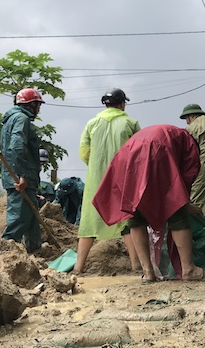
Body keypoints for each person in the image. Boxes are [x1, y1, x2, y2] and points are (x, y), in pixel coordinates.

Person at [92, 124, 205, 282]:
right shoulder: (188, 142)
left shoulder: (173, 134)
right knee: (177, 212)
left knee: (136, 212)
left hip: (127, 156)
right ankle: (189, 269)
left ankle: (148, 272)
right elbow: (185, 178)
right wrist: (185, 205)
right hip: (156, 151)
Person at [75, 88, 141, 274]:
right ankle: (136, 265)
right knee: (127, 221)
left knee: (89, 222)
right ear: (121, 104)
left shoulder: (92, 123)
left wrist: (97, 167)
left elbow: (84, 152)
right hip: (123, 179)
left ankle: (78, 268)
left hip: (96, 180)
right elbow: (138, 151)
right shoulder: (130, 123)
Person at [0, 88, 44, 253]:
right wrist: (23, 175)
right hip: (19, 178)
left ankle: (35, 251)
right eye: (37, 104)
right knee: (19, 218)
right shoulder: (21, 119)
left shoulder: (13, 119)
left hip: (20, 176)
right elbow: (17, 147)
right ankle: (4, 251)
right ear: (31, 105)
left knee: (31, 218)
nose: (39, 108)